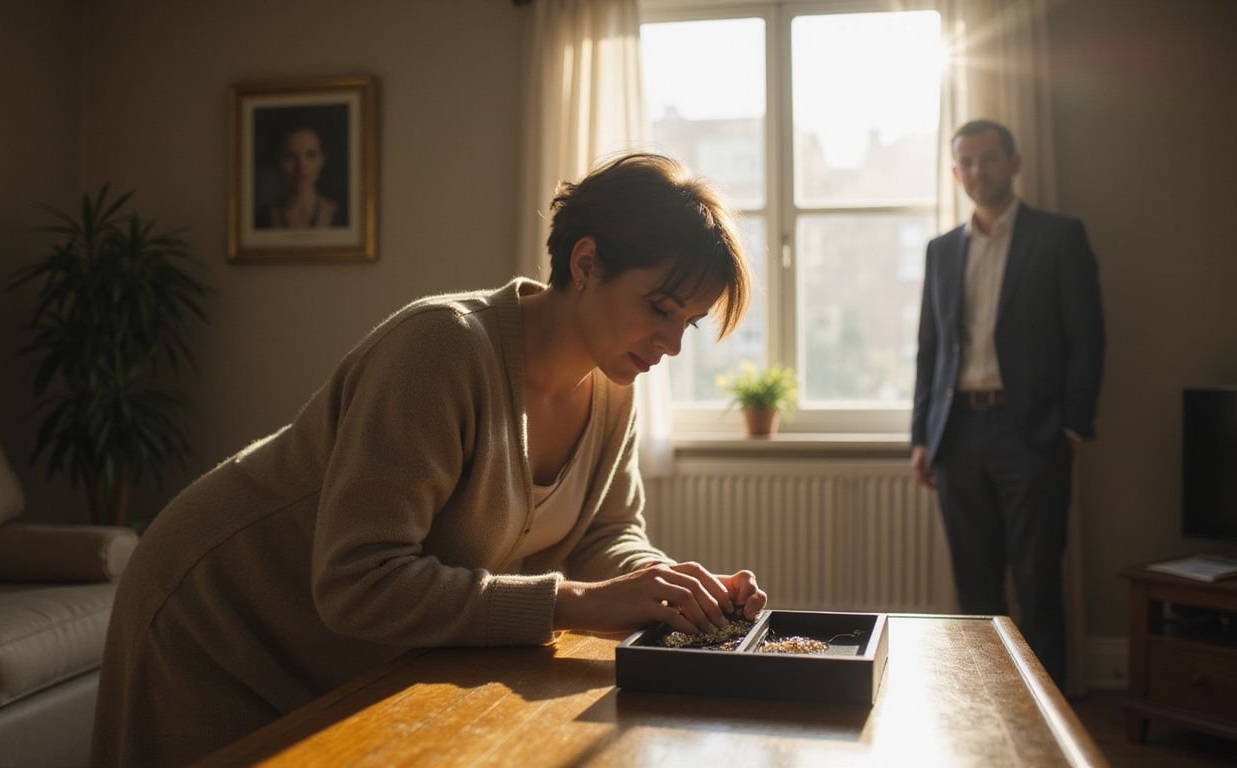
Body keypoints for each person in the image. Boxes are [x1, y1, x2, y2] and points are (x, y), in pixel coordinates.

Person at [93, 153, 768, 766]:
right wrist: (574, 603)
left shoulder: (614, 386)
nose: (673, 345)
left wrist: (668, 586)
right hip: (213, 616)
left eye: (690, 322)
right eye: (661, 309)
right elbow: (360, 579)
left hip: (341, 651)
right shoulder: (442, 349)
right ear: (586, 265)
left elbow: (604, 532)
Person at [910, 119, 1105, 690]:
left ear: (1014, 163)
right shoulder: (941, 250)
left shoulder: (1059, 237)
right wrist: (923, 435)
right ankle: (988, 703)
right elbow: (929, 348)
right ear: (954, 172)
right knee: (975, 588)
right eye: (966, 163)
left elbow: (1088, 339)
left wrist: (1070, 426)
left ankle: (1050, 715)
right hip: (958, 434)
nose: (977, 172)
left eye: (988, 159)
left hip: (1034, 434)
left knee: (1039, 582)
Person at [253, 110, 348, 229]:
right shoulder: (259, 220)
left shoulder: (342, 217)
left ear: (323, 159)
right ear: (277, 160)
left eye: (310, 155)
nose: (301, 166)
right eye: (290, 156)